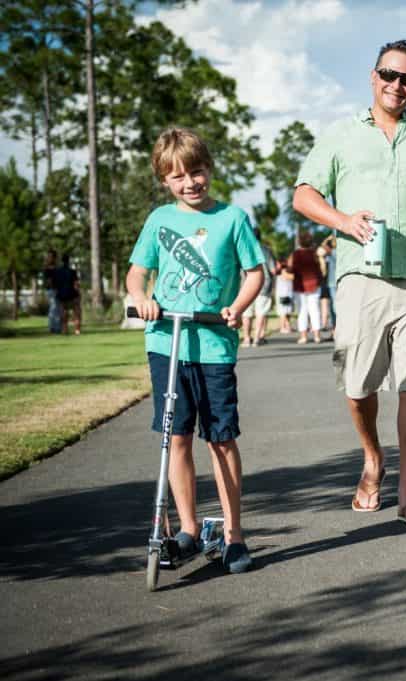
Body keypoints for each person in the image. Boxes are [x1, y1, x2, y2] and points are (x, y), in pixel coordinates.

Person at [293, 39, 406, 527]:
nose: (397, 85)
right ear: (373, 77)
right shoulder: (339, 135)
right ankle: (372, 458)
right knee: (358, 387)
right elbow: (304, 194)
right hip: (361, 274)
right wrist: (343, 221)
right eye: (389, 75)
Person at [125, 126, 264, 573]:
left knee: (221, 439)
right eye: (178, 176)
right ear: (165, 180)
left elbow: (255, 272)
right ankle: (186, 529)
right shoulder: (159, 221)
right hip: (166, 343)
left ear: (209, 169)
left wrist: (237, 306)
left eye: (197, 172)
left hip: (214, 345)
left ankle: (234, 535)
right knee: (177, 437)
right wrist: (142, 298)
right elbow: (136, 273)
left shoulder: (232, 219)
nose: (190, 183)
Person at [241, 227, 276, 347]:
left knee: (246, 313)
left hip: (245, 285)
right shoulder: (266, 250)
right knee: (261, 312)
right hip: (263, 285)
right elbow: (273, 269)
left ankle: (246, 339)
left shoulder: (244, 248)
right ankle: (256, 338)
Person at [288, 231, 323, 344]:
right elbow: (319, 269)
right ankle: (317, 336)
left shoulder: (296, 254)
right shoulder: (314, 253)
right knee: (315, 310)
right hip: (314, 284)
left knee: (302, 311)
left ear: (299, 241)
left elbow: (292, 270)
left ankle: (304, 337)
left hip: (300, 286)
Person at [53, 253, 82, 335]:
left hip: (61, 295)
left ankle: (64, 330)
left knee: (63, 313)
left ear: (62, 261)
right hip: (72, 294)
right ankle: (77, 330)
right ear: (68, 261)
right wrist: (79, 294)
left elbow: (54, 285)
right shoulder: (72, 272)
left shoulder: (57, 272)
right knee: (76, 313)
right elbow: (76, 284)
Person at [42, 250, 61, 334]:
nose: (50, 258)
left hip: (55, 289)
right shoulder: (48, 268)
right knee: (54, 308)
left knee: (55, 309)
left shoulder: (55, 267)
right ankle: (54, 328)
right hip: (52, 290)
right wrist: (55, 288)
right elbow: (49, 281)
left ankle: (55, 327)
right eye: (49, 256)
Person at [274, 259, 295, 333]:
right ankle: (283, 327)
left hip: (286, 294)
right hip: (283, 294)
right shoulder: (284, 271)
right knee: (283, 312)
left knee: (286, 312)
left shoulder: (283, 271)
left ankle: (287, 326)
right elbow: (291, 277)